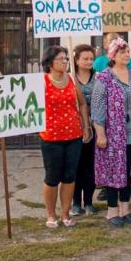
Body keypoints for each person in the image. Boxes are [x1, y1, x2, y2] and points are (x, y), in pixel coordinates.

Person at [91, 38, 131, 228]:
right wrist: (101, 134)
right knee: (113, 172)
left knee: (127, 172)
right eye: (123, 52)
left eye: (128, 51)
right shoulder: (105, 77)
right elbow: (97, 108)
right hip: (113, 134)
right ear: (113, 55)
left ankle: (125, 210)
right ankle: (112, 211)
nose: (127, 55)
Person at [39, 46, 92, 228]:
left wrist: (85, 125)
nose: (65, 61)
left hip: (73, 136)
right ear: (50, 62)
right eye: (60, 59)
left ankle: (65, 214)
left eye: (65, 58)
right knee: (52, 176)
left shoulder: (72, 80)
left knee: (69, 176)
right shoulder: (42, 81)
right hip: (50, 137)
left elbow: (83, 104)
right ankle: (51, 214)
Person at [71, 44, 97, 217]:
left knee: (91, 166)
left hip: (95, 127)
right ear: (77, 60)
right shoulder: (69, 78)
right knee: (75, 166)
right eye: (85, 58)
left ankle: (88, 201)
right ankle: (75, 203)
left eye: (91, 58)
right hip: (74, 128)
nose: (89, 62)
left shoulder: (100, 77)